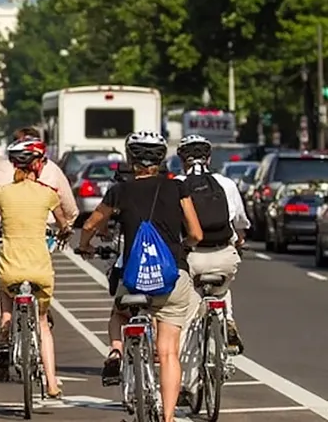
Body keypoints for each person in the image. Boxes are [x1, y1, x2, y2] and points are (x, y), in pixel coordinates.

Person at [78, 131, 202, 422]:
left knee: (120, 311)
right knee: (168, 352)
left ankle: (118, 351)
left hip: (135, 279)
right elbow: (196, 233)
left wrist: (85, 246)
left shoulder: (120, 190)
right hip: (173, 277)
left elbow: (91, 224)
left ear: (130, 159)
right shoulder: (177, 188)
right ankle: (169, 417)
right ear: (161, 160)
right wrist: (183, 247)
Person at [0, 138, 71, 397]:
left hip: (10, 267)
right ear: (38, 165)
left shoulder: (3, 192)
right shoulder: (47, 192)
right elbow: (64, 222)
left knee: (6, 300)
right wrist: (65, 231)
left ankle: (5, 329)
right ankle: (51, 382)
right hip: (39, 267)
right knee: (42, 323)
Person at [174, 134, 248, 353]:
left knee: (186, 312)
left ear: (181, 159)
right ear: (208, 158)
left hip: (191, 257)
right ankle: (227, 320)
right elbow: (240, 221)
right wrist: (240, 240)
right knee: (222, 288)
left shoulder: (176, 185)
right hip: (224, 255)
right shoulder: (226, 184)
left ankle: (188, 382)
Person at [0, 127, 78, 232]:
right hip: (44, 233)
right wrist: (65, 227)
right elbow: (69, 209)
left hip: (4, 231)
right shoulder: (50, 179)